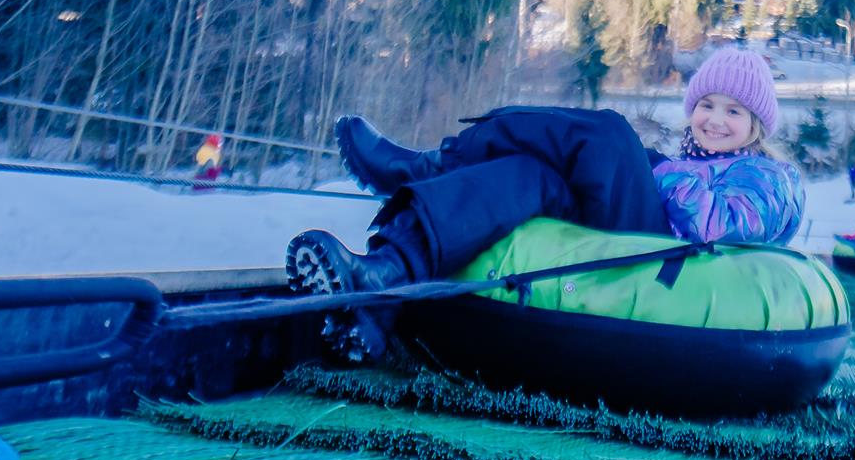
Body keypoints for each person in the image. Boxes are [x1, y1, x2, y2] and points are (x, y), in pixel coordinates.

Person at [286, 48, 801, 359]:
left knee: (610, 134)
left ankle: (427, 165)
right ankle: (383, 276)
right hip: (630, 234)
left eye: (733, 111)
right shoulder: (682, 163)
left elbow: (717, 226)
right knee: (528, 175)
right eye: (707, 105)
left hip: (662, 262)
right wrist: (664, 169)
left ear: (757, 124)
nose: (715, 119)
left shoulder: (771, 178)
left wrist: (661, 172)